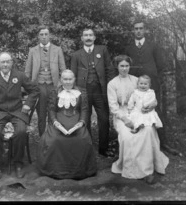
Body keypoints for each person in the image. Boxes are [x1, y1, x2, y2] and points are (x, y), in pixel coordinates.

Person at [107, 55, 169, 184]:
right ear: (117, 67)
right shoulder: (112, 84)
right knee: (127, 136)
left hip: (140, 112)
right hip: (122, 114)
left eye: (127, 66)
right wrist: (125, 120)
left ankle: (147, 169)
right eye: (121, 66)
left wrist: (152, 105)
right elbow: (113, 107)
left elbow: (150, 95)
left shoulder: (136, 80)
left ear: (130, 66)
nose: (124, 68)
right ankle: (131, 169)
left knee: (148, 131)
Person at [0, 52, 39, 179]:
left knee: (21, 131)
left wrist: (28, 104)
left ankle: (18, 163)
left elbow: (35, 90)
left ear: (12, 63)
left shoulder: (19, 75)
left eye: (8, 61)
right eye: (3, 62)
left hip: (17, 112)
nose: (5, 64)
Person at [124, 20, 179, 155]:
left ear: (145, 30)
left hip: (151, 83)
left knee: (155, 111)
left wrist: (153, 80)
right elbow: (126, 66)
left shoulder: (153, 45)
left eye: (141, 28)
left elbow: (160, 65)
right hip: (135, 84)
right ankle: (137, 144)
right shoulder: (128, 48)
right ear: (133, 30)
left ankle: (163, 142)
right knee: (135, 111)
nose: (138, 31)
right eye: (136, 28)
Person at [37, 70, 97, 179]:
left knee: (82, 139)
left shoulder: (82, 92)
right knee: (54, 140)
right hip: (59, 120)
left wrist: (81, 122)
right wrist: (55, 122)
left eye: (70, 79)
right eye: (65, 79)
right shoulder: (55, 91)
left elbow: (84, 110)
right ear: (61, 80)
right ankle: (56, 170)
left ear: (74, 79)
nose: (68, 82)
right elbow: (51, 110)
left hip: (76, 120)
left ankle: (79, 171)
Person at [71, 28, 115, 157]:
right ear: (82, 38)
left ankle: (103, 148)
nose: (88, 37)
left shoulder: (102, 50)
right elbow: (73, 75)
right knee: (85, 118)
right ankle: (87, 147)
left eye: (90, 35)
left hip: (100, 90)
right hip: (83, 91)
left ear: (94, 37)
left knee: (104, 119)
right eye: (86, 35)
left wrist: (110, 87)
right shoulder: (76, 55)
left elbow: (110, 70)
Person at [25, 25, 66, 136]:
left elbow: (63, 69)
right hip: (38, 86)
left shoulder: (57, 50)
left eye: (46, 34)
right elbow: (27, 71)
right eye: (41, 34)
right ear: (38, 36)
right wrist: (27, 87)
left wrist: (61, 85)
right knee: (41, 114)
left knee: (52, 112)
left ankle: (52, 136)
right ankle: (42, 137)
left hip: (53, 85)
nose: (44, 36)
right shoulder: (32, 50)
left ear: (50, 36)